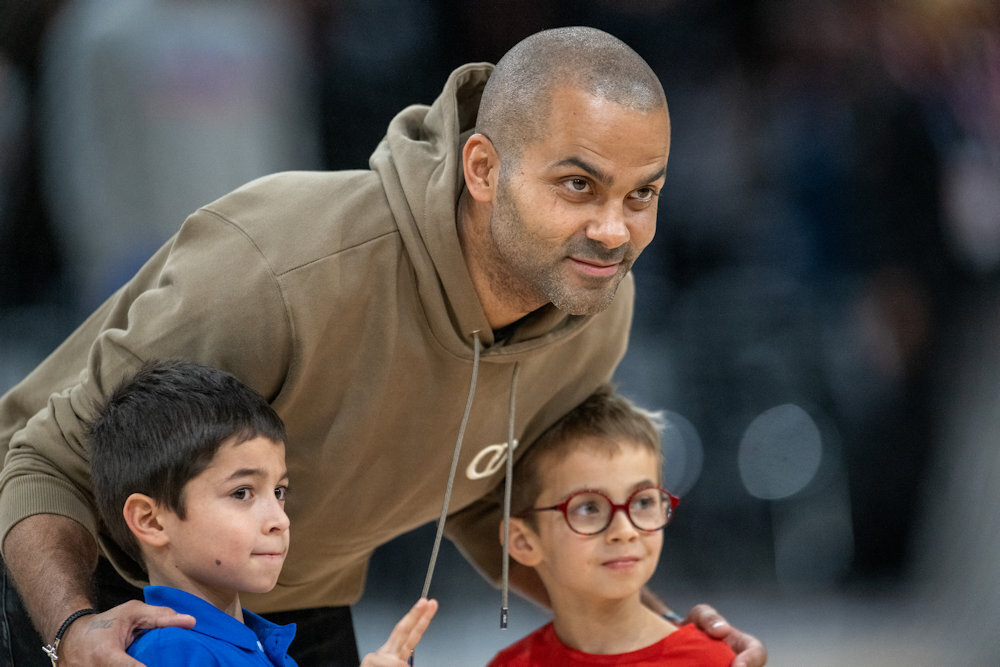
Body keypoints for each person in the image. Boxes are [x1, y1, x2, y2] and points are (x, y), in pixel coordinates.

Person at [0, 26, 765, 666]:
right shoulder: (278, 275)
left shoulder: (594, 300)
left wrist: (664, 640)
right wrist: (70, 629)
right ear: (483, 169)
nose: (613, 230)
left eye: (643, 194)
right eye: (578, 186)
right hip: (79, 570)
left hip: (292, 593)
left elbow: (496, 493)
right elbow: (40, 459)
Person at [88, 359, 437, 666]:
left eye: (279, 492)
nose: (280, 520)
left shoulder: (257, 646)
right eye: (242, 493)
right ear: (151, 520)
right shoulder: (173, 652)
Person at [487, 385, 737, 666]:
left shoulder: (709, 662)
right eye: (589, 508)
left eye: (643, 503)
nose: (625, 531)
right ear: (523, 541)